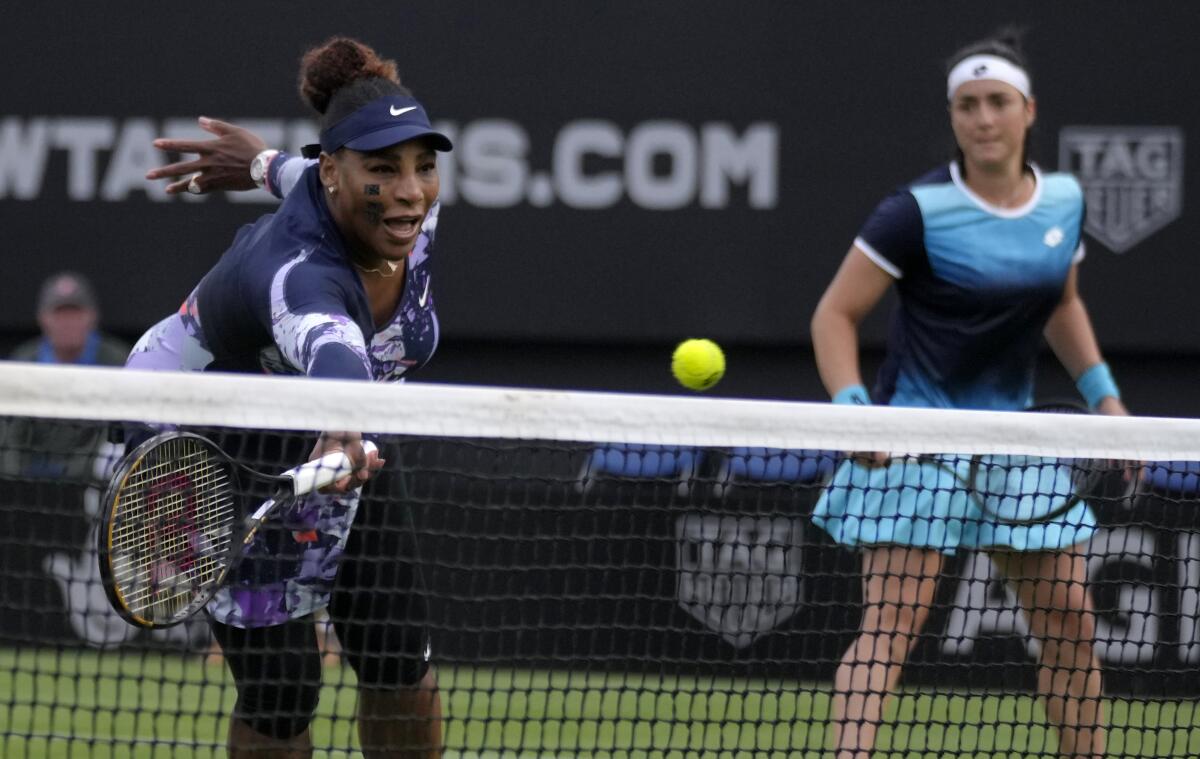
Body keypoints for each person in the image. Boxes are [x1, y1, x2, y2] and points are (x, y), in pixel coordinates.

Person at [129, 36, 449, 758]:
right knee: (284, 691)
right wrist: (341, 423)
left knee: (399, 654)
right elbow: (331, 345)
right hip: (216, 433)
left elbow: (293, 172)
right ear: (337, 173)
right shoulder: (301, 276)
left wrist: (254, 161)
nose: (409, 191)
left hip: (337, 432)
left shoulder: (393, 211)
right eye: (384, 169)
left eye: (423, 166)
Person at [809, 31, 1121, 759]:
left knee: (1073, 622)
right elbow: (833, 314)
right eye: (968, 105)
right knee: (889, 628)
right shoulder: (914, 211)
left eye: (997, 103)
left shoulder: (1064, 203)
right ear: (953, 117)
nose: (984, 118)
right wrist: (857, 413)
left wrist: (1106, 398)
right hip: (916, 442)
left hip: (1017, 440)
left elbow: (1064, 304)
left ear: (1027, 111)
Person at [11, 271, 129, 366]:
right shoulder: (24, 361)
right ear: (42, 319)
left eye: (76, 314)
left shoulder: (118, 361)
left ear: (93, 317)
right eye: (60, 314)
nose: (68, 322)